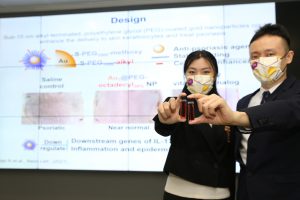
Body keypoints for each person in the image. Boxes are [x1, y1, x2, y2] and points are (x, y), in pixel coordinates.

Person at [188, 23, 300, 200]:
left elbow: (287, 111)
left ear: (289, 57)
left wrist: (237, 117)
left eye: (270, 55)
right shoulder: (244, 102)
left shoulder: (296, 94)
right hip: (246, 192)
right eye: (255, 56)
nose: (261, 61)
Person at [153, 50, 235, 200]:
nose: (198, 77)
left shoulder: (224, 108)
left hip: (221, 194)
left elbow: (229, 158)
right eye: (192, 71)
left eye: (205, 72)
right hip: (180, 193)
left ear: (214, 75)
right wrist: (164, 121)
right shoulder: (176, 105)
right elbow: (162, 127)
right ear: (186, 76)